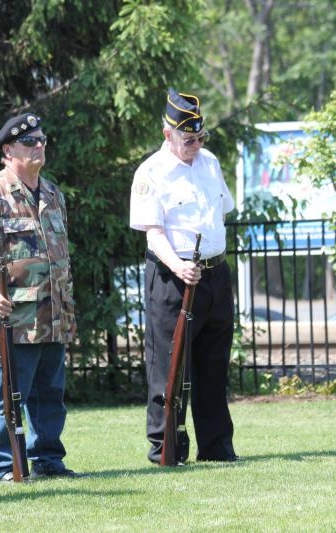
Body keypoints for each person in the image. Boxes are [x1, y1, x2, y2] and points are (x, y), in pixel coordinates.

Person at [0, 112, 81, 482]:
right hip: (14, 317)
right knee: (6, 395)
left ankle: (47, 460)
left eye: (42, 140)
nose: (39, 146)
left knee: (50, 395)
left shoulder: (53, 194)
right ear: (8, 150)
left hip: (54, 315)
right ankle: (2, 466)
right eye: (30, 142)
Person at [129, 88, 238, 465]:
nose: (196, 144)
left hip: (214, 275)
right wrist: (179, 265)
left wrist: (210, 260)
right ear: (168, 134)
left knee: (213, 364)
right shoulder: (151, 172)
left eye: (200, 137)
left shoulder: (209, 162)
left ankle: (217, 448)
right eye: (188, 139)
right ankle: (166, 448)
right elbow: (152, 232)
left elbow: (220, 212)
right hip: (173, 278)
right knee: (169, 367)